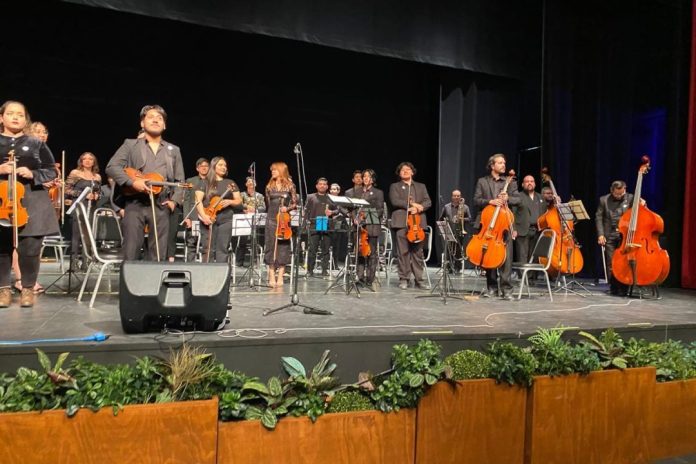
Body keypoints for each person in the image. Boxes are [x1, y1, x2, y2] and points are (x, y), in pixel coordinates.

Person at [105, 105, 185, 261]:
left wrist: (174, 202)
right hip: (135, 203)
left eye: (160, 118)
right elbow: (112, 167)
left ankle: (154, 277)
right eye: (151, 117)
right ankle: (129, 277)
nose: (155, 120)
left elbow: (180, 180)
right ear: (142, 123)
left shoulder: (173, 150)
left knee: (158, 253)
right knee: (131, 249)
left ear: (164, 125)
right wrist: (132, 182)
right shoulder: (130, 144)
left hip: (161, 204)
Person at [0, 101, 60, 307]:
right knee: (2, 246)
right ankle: (3, 290)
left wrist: (33, 173)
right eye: (10, 113)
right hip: (2, 200)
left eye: (20, 114)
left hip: (32, 199)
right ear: (1, 118)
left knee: (31, 247)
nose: (15, 117)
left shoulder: (36, 143)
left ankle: (27, 288)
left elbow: (51, 171)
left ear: (25, 119)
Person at [473, 153, 520, 299]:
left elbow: (518, 200)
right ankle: (492, 288)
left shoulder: (510, 182)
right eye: (500, 163)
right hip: (488, 223)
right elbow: (476, 200)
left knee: (507, 258)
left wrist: (508, 198)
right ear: (492, 165)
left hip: (504, 224)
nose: (503, 165)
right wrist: (490, 201)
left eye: (504, 163)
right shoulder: (482, 181)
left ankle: (507, 290)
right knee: (489, 256)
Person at [389, 161, 432, 290]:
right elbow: (395, 201)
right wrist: (412, 205)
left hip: (418, 224)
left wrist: (419, 208)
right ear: (399, 173)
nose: (405, 171)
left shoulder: (421, 186)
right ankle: (404, 279)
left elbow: (428, 201)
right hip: (401, 222)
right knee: (403, 252)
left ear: (412, 172)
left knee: (418, 253)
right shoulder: (395, 186)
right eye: (402, 170)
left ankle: (419, 280)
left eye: (408, 169)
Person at [195, 156, 242, 264]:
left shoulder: (230, 183)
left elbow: (239, 201)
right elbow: (198, 201)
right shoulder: (205, 182)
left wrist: (230, 202)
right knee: (208, 248)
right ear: (214, 166)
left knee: (223, 248)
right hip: (208, 217)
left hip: (226, 219)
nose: (224, 167)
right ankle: (207, 272)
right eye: (220, 165)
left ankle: (221, 272)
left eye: (225, 165)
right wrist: (204, 216)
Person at [596, 180, 634, 296]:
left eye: (622, 193)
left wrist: (643, 203)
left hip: (625, 235)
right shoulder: (603, 200)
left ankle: (624, 287)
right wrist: (601, 234)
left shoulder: (631, 198)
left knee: (624, 262)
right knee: (611, 262)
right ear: (612, 191)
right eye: (617, 194)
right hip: (610, 234)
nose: (620, 196)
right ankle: (613, 287)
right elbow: (598, 217)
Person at [64, 151, 102, 269]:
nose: (87, 161)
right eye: (84, 159)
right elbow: (66, 189)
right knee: (76, 235)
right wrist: (83, 194)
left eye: (90, 159)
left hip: (92, 207)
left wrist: (96, 195)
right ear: (81, 161)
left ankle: (86, 263)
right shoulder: (75, 173)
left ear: (94, 162)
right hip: (79, 206)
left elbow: (100, 192)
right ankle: (73, 264)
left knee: (88, 235)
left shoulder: (97, 176)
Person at [264, 162, 297, 288]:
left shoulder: (290, 186)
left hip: (284, 219)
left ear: (282, 171)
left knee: (283, 246)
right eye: (272, 170)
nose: (272, 172)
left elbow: (294, 203)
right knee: (270, 246)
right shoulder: (269, 186)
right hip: (271, 219)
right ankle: (272, 274)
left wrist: (287, 208)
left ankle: (281, 275)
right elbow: (267, 204)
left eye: (275, 170)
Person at [355, 169, 384, 291]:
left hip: (372, 226)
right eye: (364, 176)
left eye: (369, 176)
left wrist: (366, 216)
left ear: (373, 179)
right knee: (360, 252)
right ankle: (360, 278)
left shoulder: (378, 192)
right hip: (359, 227)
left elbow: (380, 209)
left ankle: (370, 279)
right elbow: (353, 208)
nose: (366, 178)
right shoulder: (358, 192)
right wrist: (355, 218)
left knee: (371, 253)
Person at [304, 177, 335, 277]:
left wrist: (332, 212)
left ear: (327, 186)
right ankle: (310, 270)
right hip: (314, 224)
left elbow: (338, 210)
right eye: (320, 184)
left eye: (324, 184)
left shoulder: (331, 198)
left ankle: (324, 270)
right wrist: (306, 223)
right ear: (316, 186)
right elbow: (306, 211)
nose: (322, 186)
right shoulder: (310, 197)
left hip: (327, 225)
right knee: (312, 249)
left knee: (326, 249)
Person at [513, 175, 545, 269]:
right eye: (527, 181)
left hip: (537, 231)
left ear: (535, 184)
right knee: (522, 256)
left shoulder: (540, 197)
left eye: (531, 181)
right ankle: (523, 276)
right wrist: (513, 229)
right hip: (522, 230)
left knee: (534, 257)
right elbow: (512, 214)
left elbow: (545, 213)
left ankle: (531, 276)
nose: (529, 183)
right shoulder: (518, 196)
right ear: (523, 184)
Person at [234, 176, 266, 267]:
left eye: (253, 182)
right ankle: (239, 261)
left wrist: (255, 210)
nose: (251, 184)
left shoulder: (259, 196)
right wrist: (245, 209)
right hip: (244, 220)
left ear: (255, 184)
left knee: (255, 240)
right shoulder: (242, 194)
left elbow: (263, 207)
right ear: (246, 184)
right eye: (249, 182)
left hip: (256, 221)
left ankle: (255, 261)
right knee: (242, 240)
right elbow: (238, 205)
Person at [439, 189, 471, 273]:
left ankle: (457, 268)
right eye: (454, 196)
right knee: (448, 250)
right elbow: (441, 218)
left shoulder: (465, 207)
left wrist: (461, 219)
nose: (456, 197)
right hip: (450, 231)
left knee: (458, 250)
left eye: (458, 196)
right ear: (452, 196)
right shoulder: (446, 207)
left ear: (460, 197)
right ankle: (448, 267)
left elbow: (469, 218)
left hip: (460, 231)